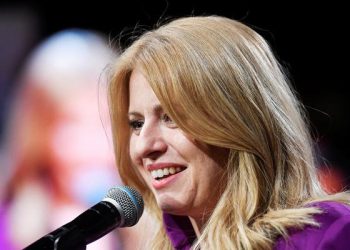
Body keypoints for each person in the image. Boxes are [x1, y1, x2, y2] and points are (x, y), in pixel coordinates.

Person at [107, 15, 350, 249]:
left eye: (171, 117)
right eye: (137, 124)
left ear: (238, 121)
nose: (145, 146)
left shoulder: (328, 234)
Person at [0, 29, 150, 250]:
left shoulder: (159, 226)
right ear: (36, 133)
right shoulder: (8, 229)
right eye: (72, 125)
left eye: (105, 123)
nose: (93, 147)